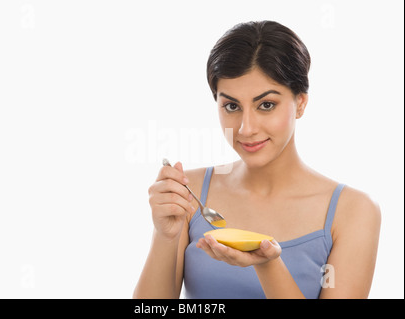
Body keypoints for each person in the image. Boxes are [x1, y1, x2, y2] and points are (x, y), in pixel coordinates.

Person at [133, 20, 381, 299]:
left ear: (300, 102)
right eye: (232, 106)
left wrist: (268, 266)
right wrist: (165, 237)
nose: (245, 128)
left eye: (266, 105)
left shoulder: (353, 212)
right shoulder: (188, 193)